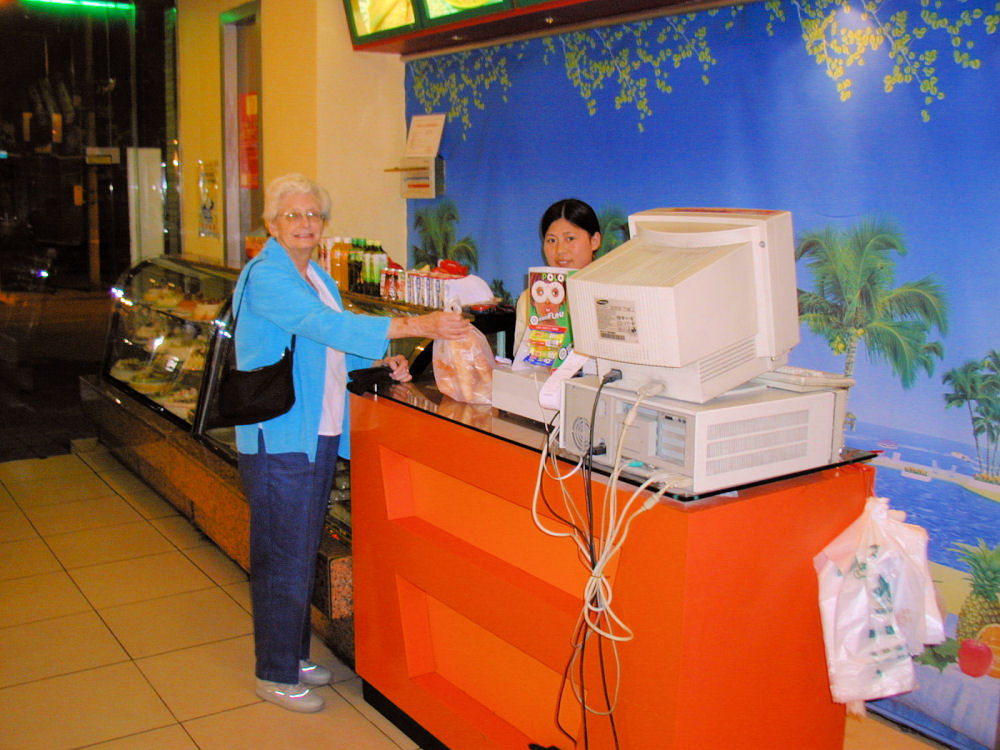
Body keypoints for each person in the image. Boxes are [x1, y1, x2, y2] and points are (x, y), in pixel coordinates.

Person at [234, 173, 470, 713]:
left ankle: (291, 655)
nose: (305, 224)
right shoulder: (267, 275)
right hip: (279, 435)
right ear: (272, 224)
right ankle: (273, 672)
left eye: (313, 215)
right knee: (280, 555)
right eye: (293, 215)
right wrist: (414, 323)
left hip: (317, 430)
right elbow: (321, 325)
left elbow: (334, 340)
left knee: (298, 549)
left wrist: (380, 362)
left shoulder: (316, 274)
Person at [513, 198, 602, 354]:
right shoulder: (530, 298)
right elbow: (523, 362)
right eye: (552, 240)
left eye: (570, 239)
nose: (560, 250)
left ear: (594, 241)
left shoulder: (612, 291)